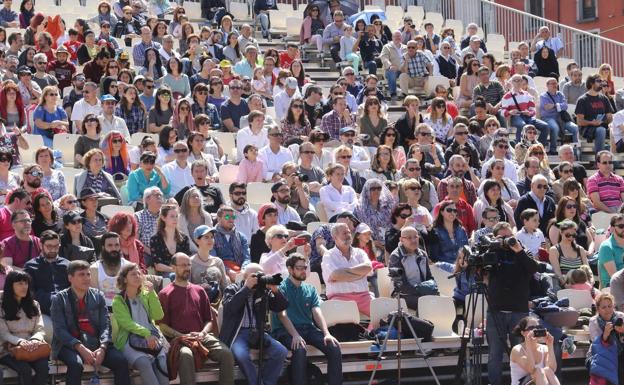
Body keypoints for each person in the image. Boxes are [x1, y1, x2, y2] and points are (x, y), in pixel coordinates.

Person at [156, 253, 235, 385]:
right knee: (186, 355)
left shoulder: (199, 290)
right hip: (180, 339)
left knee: (226, 354)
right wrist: (182, 335)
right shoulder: (165, 293)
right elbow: (162, 326)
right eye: (183, 265)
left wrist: (203, 333)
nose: (187, 268)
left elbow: (209, 320)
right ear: (173, 268)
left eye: (188, 264)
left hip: (201, 336)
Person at [51, 260, 131, 385]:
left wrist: (103, 347)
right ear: (70, 278)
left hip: (96, 343)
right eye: (81, 275)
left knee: (120, 361)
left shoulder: (98, 295)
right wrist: (80, 347)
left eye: (88, 274)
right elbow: (59, 330)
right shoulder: (59, 299)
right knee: (76, 364)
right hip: (68, 345)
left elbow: (106, 324)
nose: (86, 278)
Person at [272, 253, 342, 384]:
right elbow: (282, 316)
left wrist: (327, 333)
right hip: (285, 330)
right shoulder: (280, 289)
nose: (303, 271)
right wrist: (295, 335)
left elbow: (317, 311)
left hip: (307, 328)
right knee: (299, 349)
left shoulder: (310, 289)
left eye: (305, 267)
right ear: (290, 269)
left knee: (334, 347)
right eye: (299, 268)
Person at [486, 222, 539, 385]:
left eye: (510, 236)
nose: (507, 241)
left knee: (523, 350)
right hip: (496, 310)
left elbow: (533, 268)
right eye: (502, 237)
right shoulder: (492, 253)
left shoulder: (523, 251)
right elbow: (480, 269)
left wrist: (519, 251)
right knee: (495, 353)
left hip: (519, 311)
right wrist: (492, 247)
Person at [220, 263, 287, 385]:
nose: (258, 279)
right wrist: (246, 288)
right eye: (255, 276)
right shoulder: (232, 289)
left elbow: (281, 306)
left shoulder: (263, 292)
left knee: (281, 351)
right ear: (245, 277)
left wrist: (276, 291)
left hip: (258, 331)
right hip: (238, 333)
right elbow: (230, 309)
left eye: (261, 276)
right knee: (242, 355)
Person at [111, 263, 168, 385]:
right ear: (125, 279)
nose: (137, 276)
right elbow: (127, 323)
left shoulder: (146, 295)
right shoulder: (118, 300)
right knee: (144, 362)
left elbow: (158, 316)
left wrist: (152, 293)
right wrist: (146, 334)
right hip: (129, 341)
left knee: (162, 361)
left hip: (152, 338)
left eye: (139, 273)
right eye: (133, 274)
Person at [0, 270, 48, 385]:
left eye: (26, 283)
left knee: (44, 367)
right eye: (19, 283)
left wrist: (34, 340)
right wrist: (21, 342)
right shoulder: (2, 306)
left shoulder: (34, 304)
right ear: (10, 286)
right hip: (8, 349)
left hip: (32, 346)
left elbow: (40, 328)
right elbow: (4, 333)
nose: (24, 287)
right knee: (25, 370)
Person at [321, 222, 373, 316]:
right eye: (344, 233)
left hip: (364, 297)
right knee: (345, 324)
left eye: (349, 232)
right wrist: (359, 275)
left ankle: (370, 331)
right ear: (335, 237)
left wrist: (346, 272)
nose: (348, 235)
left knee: (383, 315)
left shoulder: (359, 252)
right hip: (340, 298)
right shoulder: (329, 255)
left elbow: (368, 267)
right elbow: (336, 275)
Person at [24, 230, 70, 317]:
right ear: (41, 245)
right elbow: (30, 292)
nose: (53, 249)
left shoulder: (67, 265)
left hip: (67, 307)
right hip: (42, 311)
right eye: (49, 246)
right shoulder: (30, 266)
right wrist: (50, 298)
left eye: (56, 246)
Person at [388, 226, 435, 310]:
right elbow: (402, 286)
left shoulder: (423, 254)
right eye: (409, 238)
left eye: (415, 237)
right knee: (427, 304)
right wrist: (422, 290)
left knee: (443, 301)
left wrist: (432, 288)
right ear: (401, 240)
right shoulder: (396, 257)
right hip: (403, 295)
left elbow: (429, 277)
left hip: (422, 291)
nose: (413, 240)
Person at [509, 316, 560, 385]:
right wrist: (529, 345)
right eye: (531, 328)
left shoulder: (544, 348)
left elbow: (552, 369)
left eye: (538, 327)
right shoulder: (517, 350)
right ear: (523, 333)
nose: (535, 330)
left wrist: (550, 345)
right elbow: (531, 369)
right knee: (538, 371)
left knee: (548, 370)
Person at [588, 293, 624, 385]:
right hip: (602, 354)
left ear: (613, 306)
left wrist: (622, 331)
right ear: (598, 309)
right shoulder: (594, 321)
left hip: (620, 350)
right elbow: (595, 344)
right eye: (604, 307)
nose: (607, 309)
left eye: (610, 306)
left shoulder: (621, 317)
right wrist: (605, 334)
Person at [502, 74, 550, 144]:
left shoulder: (527, 94)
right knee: (523, 125)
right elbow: (502, 111)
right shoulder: (507, 96)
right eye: (516, 81)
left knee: (545, 126)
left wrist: (529, 113)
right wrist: (510, 112)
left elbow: (533, 109)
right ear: (512, 82)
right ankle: (519, 146)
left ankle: (537, 146)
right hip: (516, 117)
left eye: (520, 81)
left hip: (528, 116)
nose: (518, 83)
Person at [89, 232, 131, 307]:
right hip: (103, 310)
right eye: (110, 245)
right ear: (103, 247)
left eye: (116, 245)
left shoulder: (128, 266)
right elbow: (94, 298)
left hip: (125, 309)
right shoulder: (94, 269)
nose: (114, 248)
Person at [575, 74, 613, 153]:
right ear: (591, 83)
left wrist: (603, 121)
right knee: (601, 130)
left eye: (601, 81)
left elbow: (610, 117)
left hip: (602, 125)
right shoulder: (582, 100)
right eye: (599, 81)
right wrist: (592, 123)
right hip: (587, 128)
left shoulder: (604, 98)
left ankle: (613, 159)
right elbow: (579, 121)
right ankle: (599, 159)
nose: (601, 83)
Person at [150, 204, 190, 279]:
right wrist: (175, 270)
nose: (175, 219)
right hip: (165, 274)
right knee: (172, 276)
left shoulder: (184, 238)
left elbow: (187, 260)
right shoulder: (155, 239)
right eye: (172, 216)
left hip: (183, 272)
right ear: (163, 217)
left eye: (176, 216)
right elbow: (158, 265)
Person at [547, 220, 589, 288]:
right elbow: (557, 273)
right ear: (561, 232)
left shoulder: (580, 249)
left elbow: (587, 270)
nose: (571, 237)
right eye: (568, 235)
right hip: (564, 287)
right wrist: (566, 285)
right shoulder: (554, 250)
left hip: (582, 285)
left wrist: (590, 283)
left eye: (574, 235)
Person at [429, 199, 469, 264]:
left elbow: (466, 250)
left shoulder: (462, 230)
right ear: (442, 212)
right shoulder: (435, 232)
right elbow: (434, 256)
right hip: (444, 268)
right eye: (449, 210)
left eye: (455, 211)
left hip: (461, 266)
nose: (452, 213)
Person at [598, 214, 624, 288]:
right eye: (621, 226)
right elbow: (615, 278)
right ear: (612, 228)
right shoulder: (606, 247)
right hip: (613, 288)